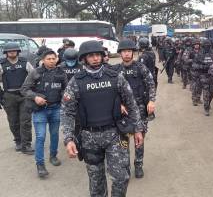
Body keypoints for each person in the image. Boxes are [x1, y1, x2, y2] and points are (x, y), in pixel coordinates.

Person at [60, 40, 144, 196]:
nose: (95, 58)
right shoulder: (76, 82)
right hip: (89, 137)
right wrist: (69, 138)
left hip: (115, 134)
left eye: (98, 55)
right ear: (84, 58)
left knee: (121, 177)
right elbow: (67, 112)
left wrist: (138, 128)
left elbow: (131, 104)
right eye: (91, 56)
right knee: (96, 183)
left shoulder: (115, 77)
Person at [112, 39, 156, 178]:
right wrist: (118, 104)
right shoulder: (115, 71)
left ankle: (138, 165)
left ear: (133, 53)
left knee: (139, 138)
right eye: (124, 51)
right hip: (123, 111)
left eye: (129, 51)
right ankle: (125, 167)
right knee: (123, 141)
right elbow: (111, 91)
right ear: (120, 53)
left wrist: (152, 101)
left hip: (141, 108)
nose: (126, 54)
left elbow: (151, 84)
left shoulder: (141, 68)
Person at [21, 49, 68, 178]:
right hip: (39, 110)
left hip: (56, 108)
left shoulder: (61, 73)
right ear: (43, 60)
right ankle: (40, 165)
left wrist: (65, 96)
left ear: (57, 59)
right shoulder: (35, 72)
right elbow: (24, 89)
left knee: (54, 134)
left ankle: (53, 155)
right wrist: (35, 97)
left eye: (54, 58)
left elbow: (66, 88)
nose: (51, 61)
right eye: (49, 59)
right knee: (41, 137)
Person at [0, 42, 35, 154]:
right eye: (10, 51)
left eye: (14, 50)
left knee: (25, 121)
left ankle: (27, 144)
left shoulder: (25, 62)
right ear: (6, 52)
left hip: (24, 95)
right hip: (9, 96)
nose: (12, 52)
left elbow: (34, 76)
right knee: (13, 121)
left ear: (18, 51)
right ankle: (18, 141)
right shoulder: (2, 64)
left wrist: (32, 92)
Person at [192, 38, 213, 116]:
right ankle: (206, 108)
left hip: (212, 75)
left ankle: (208, 103)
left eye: (208, 46)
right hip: (203, 75)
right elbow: (194, 65)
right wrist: (203, 66)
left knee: (212, 92)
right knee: (206, 91)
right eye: (205, 46)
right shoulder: (199, 54)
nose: (207, 47)